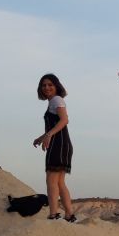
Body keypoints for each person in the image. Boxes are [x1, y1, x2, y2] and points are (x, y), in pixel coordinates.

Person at [33, 73, 76, 222]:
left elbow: (64, 120)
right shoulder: (52, 101)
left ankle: (53, 214)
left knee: (51, 180)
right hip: (62, 143)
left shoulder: (57, 99)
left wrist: (49, 135)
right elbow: (55, 124)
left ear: (56, 86)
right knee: (59, 182)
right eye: (44, 85)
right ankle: (69, 214)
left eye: (50, 85)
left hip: (59, 144)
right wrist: (42, 137)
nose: (46, 87)